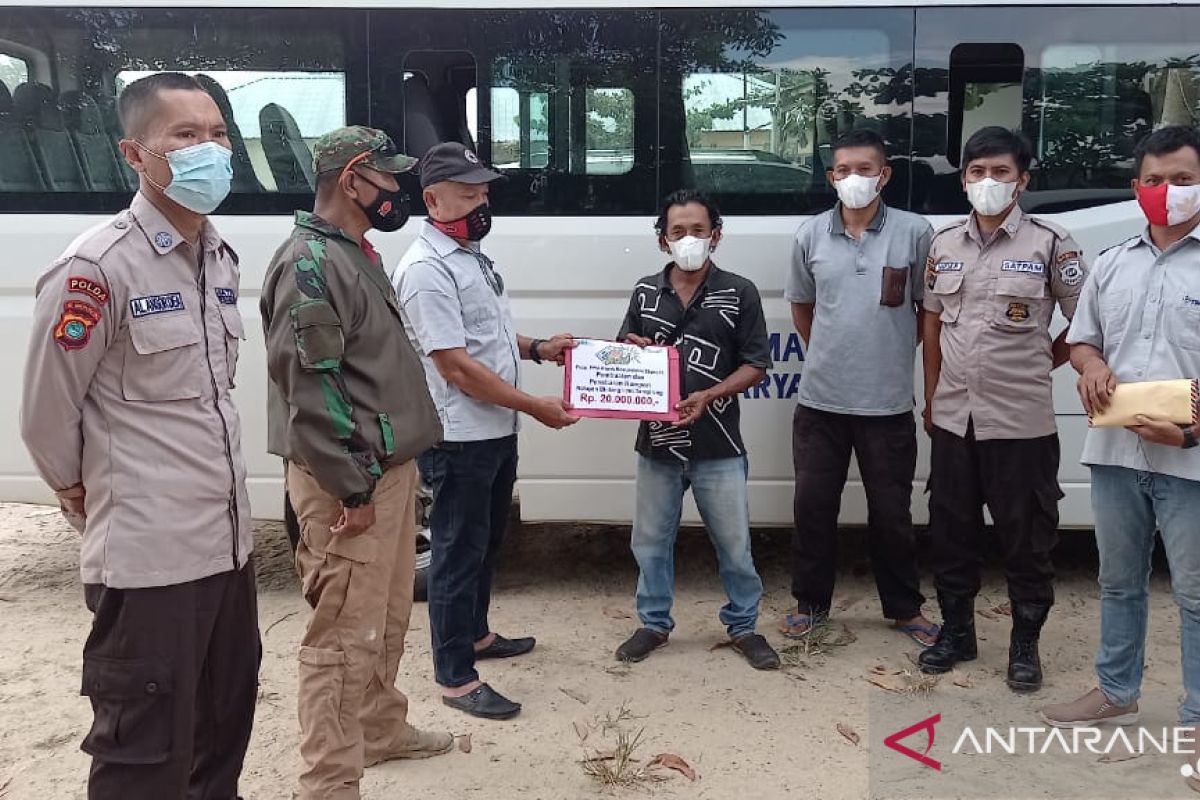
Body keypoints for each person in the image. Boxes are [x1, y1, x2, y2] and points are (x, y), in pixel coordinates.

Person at [19, 72, 259, 800]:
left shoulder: (217, 258)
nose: (208, 150)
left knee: (221, 740)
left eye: (217, 134)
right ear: (136, 155)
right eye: (184, 136)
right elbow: (45, 414)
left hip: (229, 552)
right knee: (142, 763)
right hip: (149, 562)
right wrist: (80, 493)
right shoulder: (96, 267)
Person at [261, 126, 452, 800]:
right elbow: (311, 389)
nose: (398, 192)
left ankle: (378, 728)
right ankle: (329, 784)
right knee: (343, 633)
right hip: (349, 481)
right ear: (352, 179)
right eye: (389, 179)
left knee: (387, 615)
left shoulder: (352, 254)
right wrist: (351, 485)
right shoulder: (308, 262)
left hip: (385, 472)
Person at [1039, 126, 1200, 793]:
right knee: (1119, 582)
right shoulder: (1112, 262)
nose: (1168, 192)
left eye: (1183, 179)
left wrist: (1193, 427)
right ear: (1137, 187)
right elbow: (1081, 341)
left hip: (1191, 462)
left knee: (1195, 595)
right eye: (1155, 180)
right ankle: (1115, 689)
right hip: (1113, 450)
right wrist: (1093, 364)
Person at [393, 141, 578, 720]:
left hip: (493, 431)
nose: (482, 203)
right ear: (432, 199)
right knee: (456, 553)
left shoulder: (469, 253)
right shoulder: (425, 270)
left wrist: (541, 348)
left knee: (485, 543)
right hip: (460, 437)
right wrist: (533, 405)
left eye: (484, 192)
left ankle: (475, 636)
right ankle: (454, 677)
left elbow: (489, 337)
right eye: (469, 194)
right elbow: (455, 365)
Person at [918, 126, 1087, 692]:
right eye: (976, 172)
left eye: (1000, 172)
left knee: (1026, 539)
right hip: (953, 419)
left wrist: (1045, 357)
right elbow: (934, 322)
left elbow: (1086, 322)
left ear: (1023, 180)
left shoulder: (1050, 243)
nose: (987, 182)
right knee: (950, 531)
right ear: (963, 179)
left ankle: (1024, 646)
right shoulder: (944, 244)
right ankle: (958, 634)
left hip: (1021, 422)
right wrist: (932, 394)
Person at [782, 129, 939, 648]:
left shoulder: (917, 233)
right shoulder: (809, 236)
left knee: (892, 514)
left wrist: (887, 351)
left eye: (865, 169)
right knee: (812, 508)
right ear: (831, 177)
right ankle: (810, 605)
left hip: (887, 403)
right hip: (820, 401)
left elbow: (927, 313)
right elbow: (804, 310)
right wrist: (834, 349)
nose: (854, 179)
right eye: (843, 170)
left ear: (884, 175)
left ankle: (904, 608)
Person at [613, 189, 780, 671]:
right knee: (649, 540)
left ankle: (744, 626)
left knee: (734, 543)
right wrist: (631, 347)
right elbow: (623, 349)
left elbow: (756, 365)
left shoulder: (740, 291)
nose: (689, 238)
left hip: (719, 443)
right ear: (663, 240)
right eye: (678, 231)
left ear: (717, 235)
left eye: (698, 230)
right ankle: (653, 623)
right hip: (657, 443)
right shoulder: (645, 291)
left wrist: (709, 396)